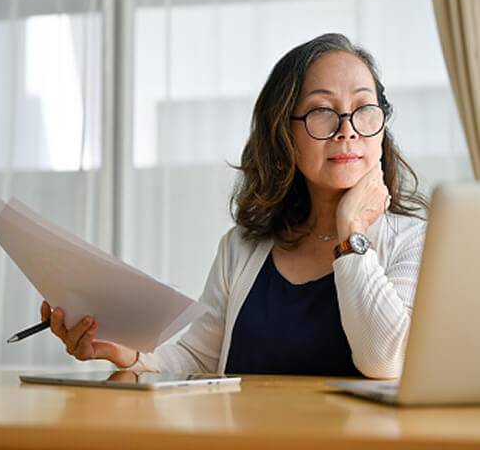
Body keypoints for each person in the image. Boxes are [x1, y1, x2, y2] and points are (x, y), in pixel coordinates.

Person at [41, 33, 429, 379]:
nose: (347, 128)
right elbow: (197, 357)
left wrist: (352, 234)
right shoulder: (241, 247)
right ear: (284, 135)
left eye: (364, 108)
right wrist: (129, 355)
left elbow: (385, 362)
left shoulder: (414, 241)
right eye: (322, 112)